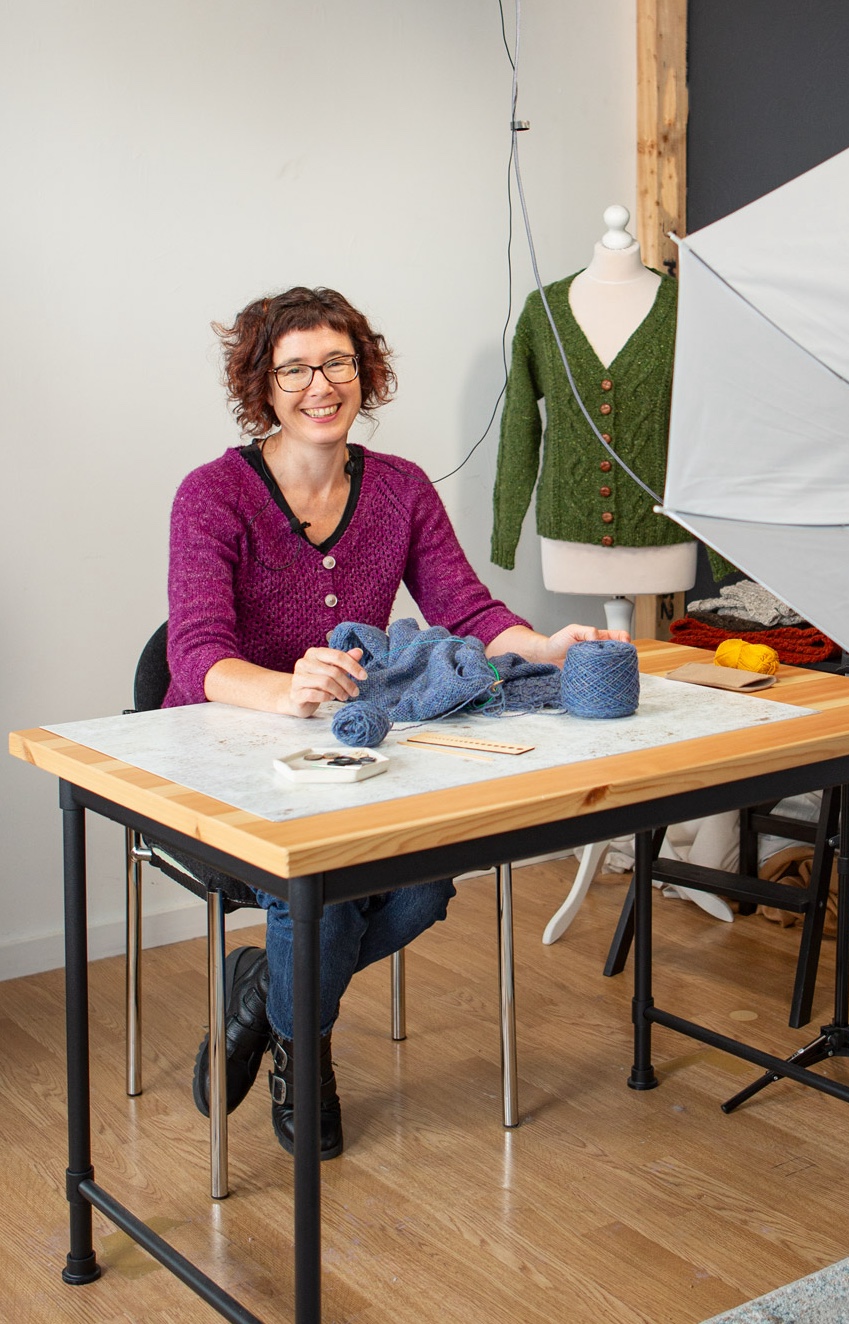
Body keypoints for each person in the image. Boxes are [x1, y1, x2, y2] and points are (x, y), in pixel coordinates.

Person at [165, 285, 628, 1160]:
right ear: (261, 386)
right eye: (294, 367)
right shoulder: (212, 495)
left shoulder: (402, 489)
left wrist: (547, 646)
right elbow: (195, 657)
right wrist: (283, 688)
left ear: (363, 371)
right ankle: (305, 1056)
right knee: (309, 894)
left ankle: (265, 990)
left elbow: (468, 607)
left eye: (336, 362)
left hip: (358, 753)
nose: (319, 384)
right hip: (227, 753)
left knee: (423, 889)